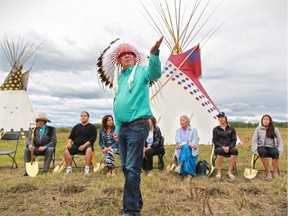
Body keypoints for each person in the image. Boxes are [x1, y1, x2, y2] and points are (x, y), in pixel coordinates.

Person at [112, 36, 163, 216]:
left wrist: (154, 54)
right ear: (118, 60)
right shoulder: (119, 81)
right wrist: (117, 129)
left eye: (130, 54)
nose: (127, 56)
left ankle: (131, 211)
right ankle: (136, 201)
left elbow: (155, 73)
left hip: (138, 126)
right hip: (124, 127)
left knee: (132, 168)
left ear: (135, 58)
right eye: (123, 54)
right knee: (126, 167)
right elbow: (117, 107)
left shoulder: (141, 72)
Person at [252, 114, 283, 180]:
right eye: (264, 119)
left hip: (272, 147)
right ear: (262, 121)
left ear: (270, 121)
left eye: (267, 119)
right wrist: (255, 151)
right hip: (262, 147)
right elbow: (254, 141)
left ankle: (275, 173)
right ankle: (268, 173)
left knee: (275, 153)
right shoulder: (258, 129)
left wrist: (280, 151)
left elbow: (280, 141)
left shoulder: (275, 129)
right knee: (263, 152)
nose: (265, 121)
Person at [212, 111, 238, 180]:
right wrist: (222, 146)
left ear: (225, 118)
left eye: (222, 117)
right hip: (219, 147)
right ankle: (219, 172)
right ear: (218, 119)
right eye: (219, 117)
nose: (221, 119)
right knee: (220, 151)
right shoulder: (215, 129)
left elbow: (234, 140)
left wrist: (229, 147)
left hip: (229, 147)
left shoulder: (231, 129)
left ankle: (229, 172)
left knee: (235, 151)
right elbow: (215, 140)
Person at [173, 115, 199, 179]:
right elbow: (178, 141)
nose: (181, 122)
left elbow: (195, 142)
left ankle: (180, 165)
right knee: (186, 147)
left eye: (183, 120)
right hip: (180, 150)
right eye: (180, 120)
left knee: (186, 148)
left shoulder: (193, 130)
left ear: (187, 122)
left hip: (192, 150)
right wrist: (187, 143)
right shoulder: (178, 130)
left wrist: (187, 144)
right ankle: (189, 174)